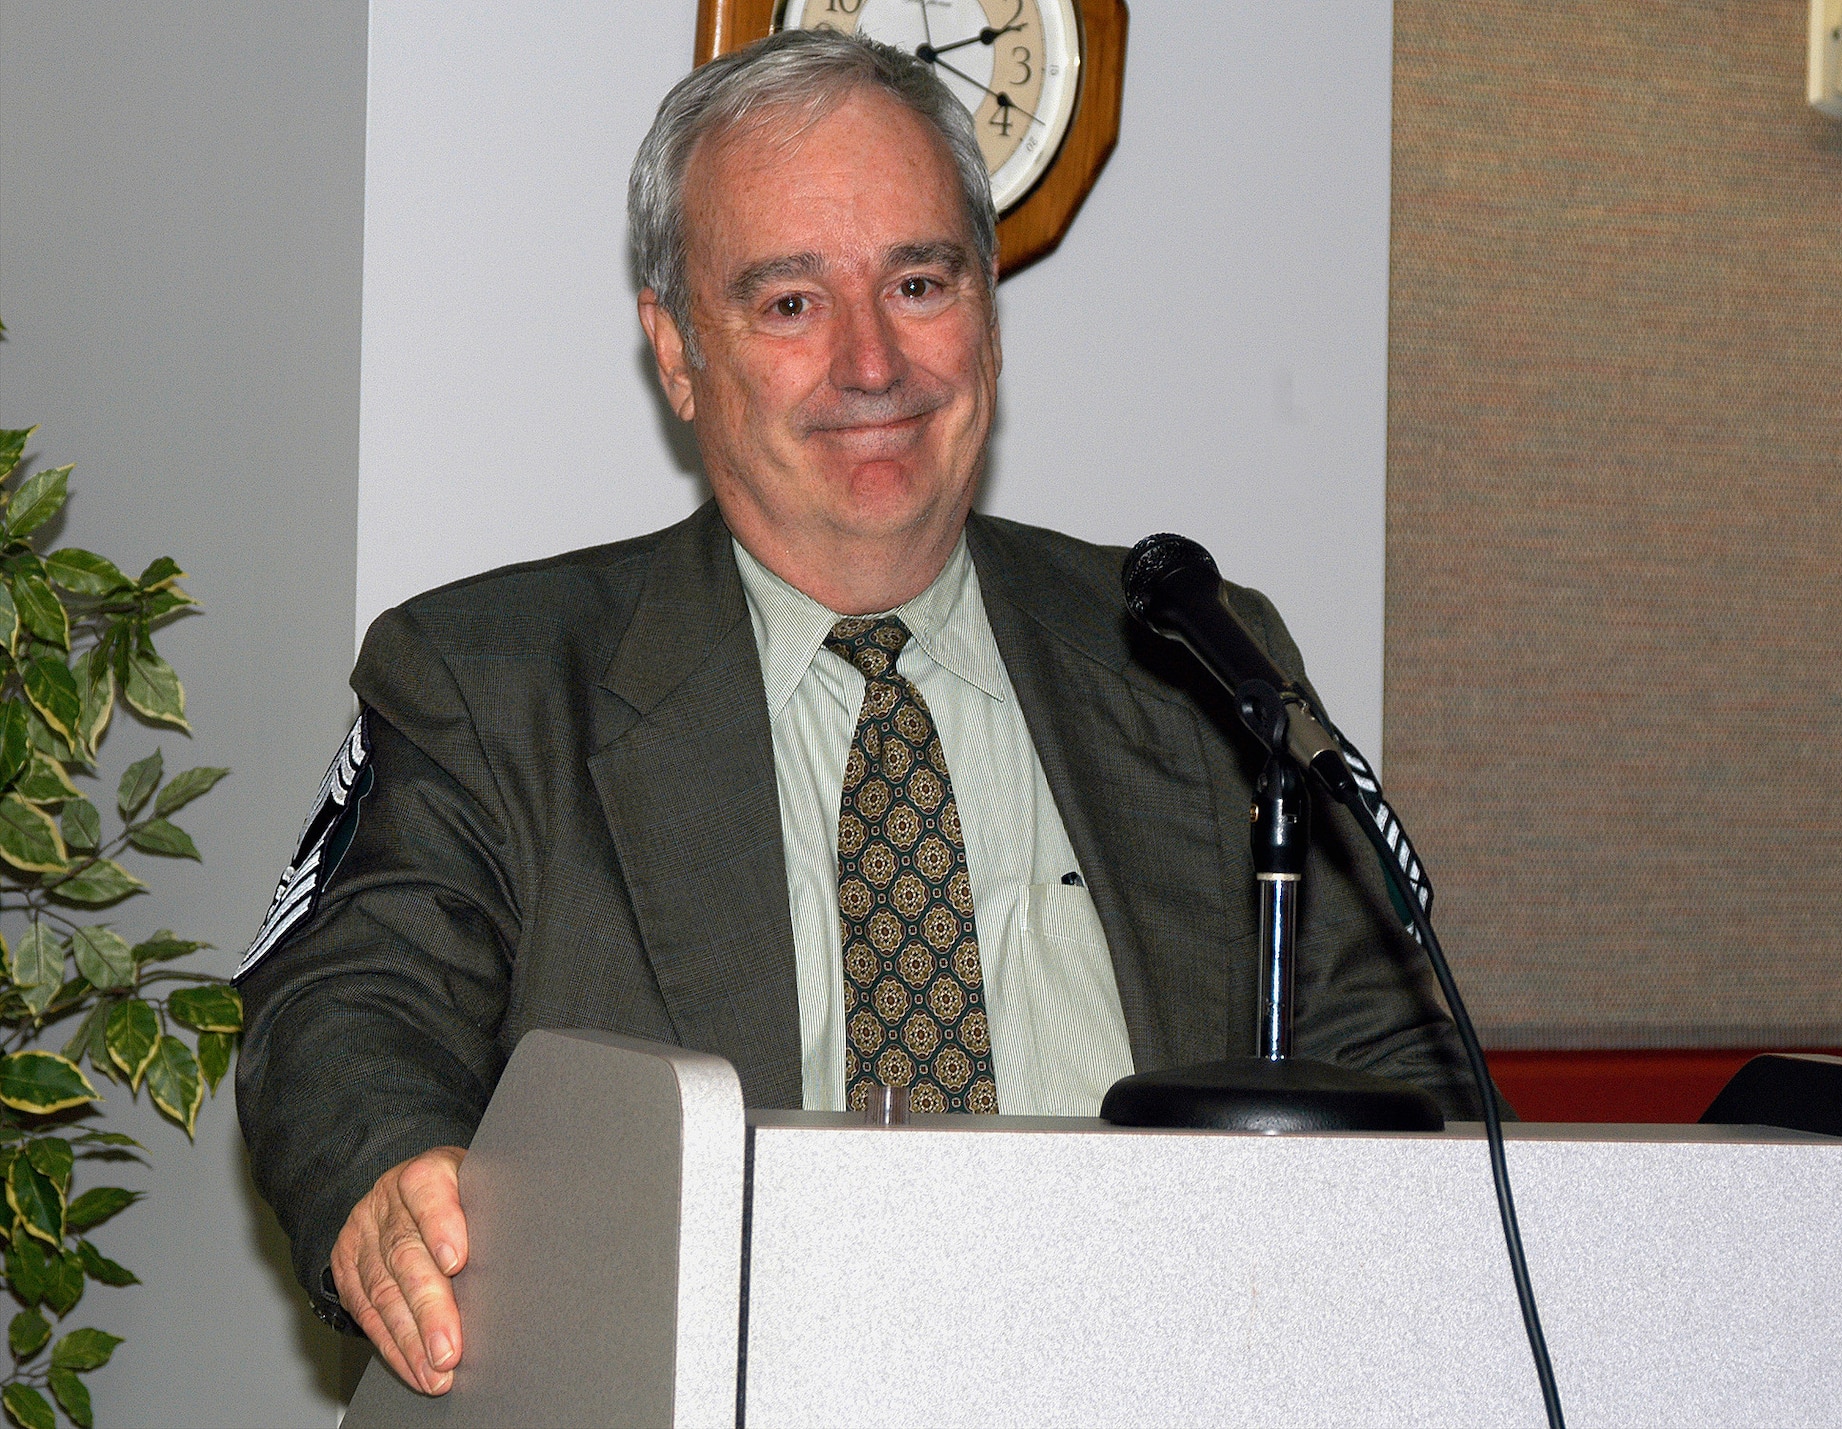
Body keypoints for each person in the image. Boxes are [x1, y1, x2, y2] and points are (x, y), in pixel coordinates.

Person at [235, 30, 1480, 1397]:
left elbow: (1411, 1080)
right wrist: (387, 1170)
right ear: (677, 351)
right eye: (788, 304)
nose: (872, 362)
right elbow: (347, 1010)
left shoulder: (1194, 664)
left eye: (920, 282)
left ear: (988, 314)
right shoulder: (490, 678)